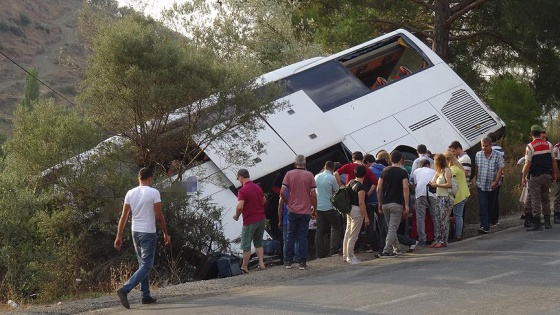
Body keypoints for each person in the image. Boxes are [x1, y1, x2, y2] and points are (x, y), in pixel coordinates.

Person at [114, 167, 171, 309]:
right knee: (147, 265)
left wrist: (119, 236)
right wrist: (165, 233)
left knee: (142, 264)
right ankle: (125, 289)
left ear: (138, 178)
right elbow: (159, 216)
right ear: (150, 178)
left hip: (135, 232)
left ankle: (145, 295)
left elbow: (124, 216)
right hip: (148, 232)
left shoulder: (130, 193)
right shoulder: (154, 192)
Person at [280, 154, 317, 270]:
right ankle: (302, 261)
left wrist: (287, 203)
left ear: (295, 163)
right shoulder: (310, 175)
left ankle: (288, 261)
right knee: (302, 236)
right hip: (305, 210)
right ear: (305, 163)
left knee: (290, 235)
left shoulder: (289, 174)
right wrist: (314, 209)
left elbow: (282, 192)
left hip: (292, 209)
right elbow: (313, 195)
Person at [522, 125, 559, 230]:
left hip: (535, 176)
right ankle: (547, 222)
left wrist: (523, 176)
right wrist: (555, 173)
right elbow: (553, 161)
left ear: (531, 133)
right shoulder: (549, 144)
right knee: (546, 198)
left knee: (535, 199)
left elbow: (527, 163)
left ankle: (537, 223)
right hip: (547, 175)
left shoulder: (530, 146)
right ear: (540, 133)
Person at [376, 150, 410, 258]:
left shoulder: (384, 171)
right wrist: (407, 205)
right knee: (393, 228)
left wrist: (380, 202)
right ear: (400, 159)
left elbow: (378, 188)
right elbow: (405, 188)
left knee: (390, 227)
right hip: (397, 203)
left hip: (385, 203)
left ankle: (397, 249)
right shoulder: (403, 172)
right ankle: (386, 250)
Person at [233, 169, 267, 273]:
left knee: (246, 244)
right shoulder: (257, 187)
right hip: (261, 218)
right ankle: (261, 263)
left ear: (241, 177)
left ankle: (244, 266)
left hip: (250, 220)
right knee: (258, 242)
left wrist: (237, 215)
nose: (239, 180)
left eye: (238, 178)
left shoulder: (242, 191)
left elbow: (240, 207)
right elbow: (264, 200)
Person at [474, 136, 505, 234]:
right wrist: (476, 179)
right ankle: (484, 225)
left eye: (486, 146)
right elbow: (476, 167)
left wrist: (496, 181)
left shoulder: (498, 155)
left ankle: (488, 222)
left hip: (493, 185)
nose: (484, 148)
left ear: (490, 145)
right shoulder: (478, 154)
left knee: (491, 205)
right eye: (482, 146)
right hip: (481, 184)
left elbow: (500, 169)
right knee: (483, 204)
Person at [342, 165, 370, 264]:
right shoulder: (361, 187)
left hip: (349, 210)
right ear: (364, 175)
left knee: (347, 233)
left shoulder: (350, 182)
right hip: (357, 211)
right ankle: (351, 256)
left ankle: (345, 255)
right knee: (354, 235)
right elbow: (361, 202)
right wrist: (366, 217)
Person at [314, 161, 342, 258]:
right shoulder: (331, 178)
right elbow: (337, 191)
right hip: (329, 206)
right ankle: (333, 250)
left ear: (324, 167)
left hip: (318, 206)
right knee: (336, 226)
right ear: (332, 169)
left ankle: (318, 253)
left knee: (319, 230)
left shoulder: (316, 177)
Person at [428, 154, 453, 248]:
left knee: (444, 219)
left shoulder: (447, 170)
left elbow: (449, 184)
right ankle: (437, 239)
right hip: (438, 197)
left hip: (445, 197)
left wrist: (437, 185)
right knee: (437, 219)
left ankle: (443, 240)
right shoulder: (439, 172)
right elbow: (433, 181)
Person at [410, 159, 436, 246]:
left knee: (420, 218)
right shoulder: (433, 171)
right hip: (431, 194)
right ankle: (436, 237)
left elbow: (413, 183)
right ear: (428, 165)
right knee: (434, 217)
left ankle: (422, 239)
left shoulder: (416, 171)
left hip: (420, 194)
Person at [445, 152, 470, 241]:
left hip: (458, 195)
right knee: (458, 216)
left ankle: (458, 235)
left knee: (458, 216)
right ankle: (458, 234)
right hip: (463, 193)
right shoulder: (459, 167)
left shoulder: (453, 169)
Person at [552, 140, 560, 224]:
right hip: (559, 174)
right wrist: (556, 173)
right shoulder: (557, 147)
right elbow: (554, 162)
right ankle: (557, 215)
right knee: (558, 195)